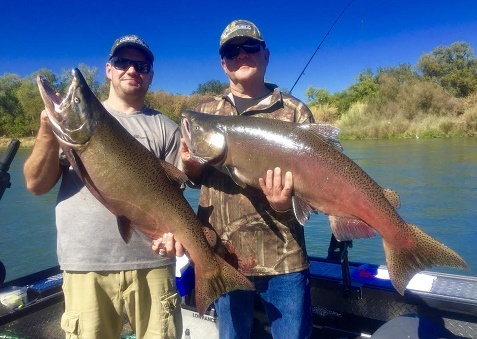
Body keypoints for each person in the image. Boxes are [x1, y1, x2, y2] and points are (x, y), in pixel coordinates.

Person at [23, 35, 183, 339]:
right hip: (86, 266)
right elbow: (35, 185)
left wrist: (177, 237)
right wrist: (48, 130)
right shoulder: (75, 123)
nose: (131, 70)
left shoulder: (167, 128)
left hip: (154, 264)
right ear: (109, 69)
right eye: (122, 62)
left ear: (150, 74)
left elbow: (173, 197)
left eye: (142, 65)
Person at [181, 20, 314, 338]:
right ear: (223, 62)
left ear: (265, 55)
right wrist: (189, 164)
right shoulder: (205, 112)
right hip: (223, 256)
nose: (241, 54)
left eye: (250, 47)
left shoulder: (294, 112)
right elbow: (193, 180)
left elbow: (315, 188)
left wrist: (287, 201)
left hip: (285, 259)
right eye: (231, 50)